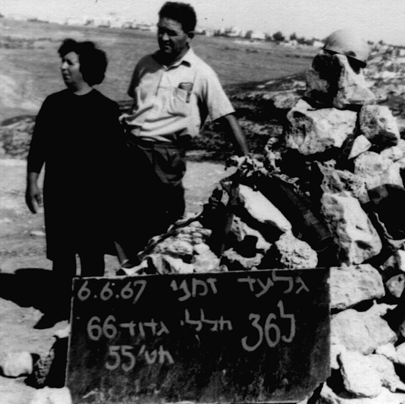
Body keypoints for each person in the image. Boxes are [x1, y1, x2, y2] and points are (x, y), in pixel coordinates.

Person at [118, 1, 250, 264]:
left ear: (189, 36)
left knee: (161, 226)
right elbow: (136, 106)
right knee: (122, 220)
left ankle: (154, 279)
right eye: (160, 30)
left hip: (164, 157)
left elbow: (226, 116)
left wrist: (247, 159)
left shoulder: (201, 73)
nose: (163, 37)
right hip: (130, 150)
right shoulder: (145, 64)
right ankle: (127, 277)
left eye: (171, 33)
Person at [25, 38, 124, 328]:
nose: (63, 67)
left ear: (86, 67)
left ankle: (91, 311)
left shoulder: (106, 109)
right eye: (63, 61)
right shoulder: (53, 103)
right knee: (62, 254)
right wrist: (32, 182)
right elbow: (38, 146)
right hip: (59, 192)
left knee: (92, 253)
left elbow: (116, 158)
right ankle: (59, 307)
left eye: (70, 62)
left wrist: (114, 198)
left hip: (93, 196)